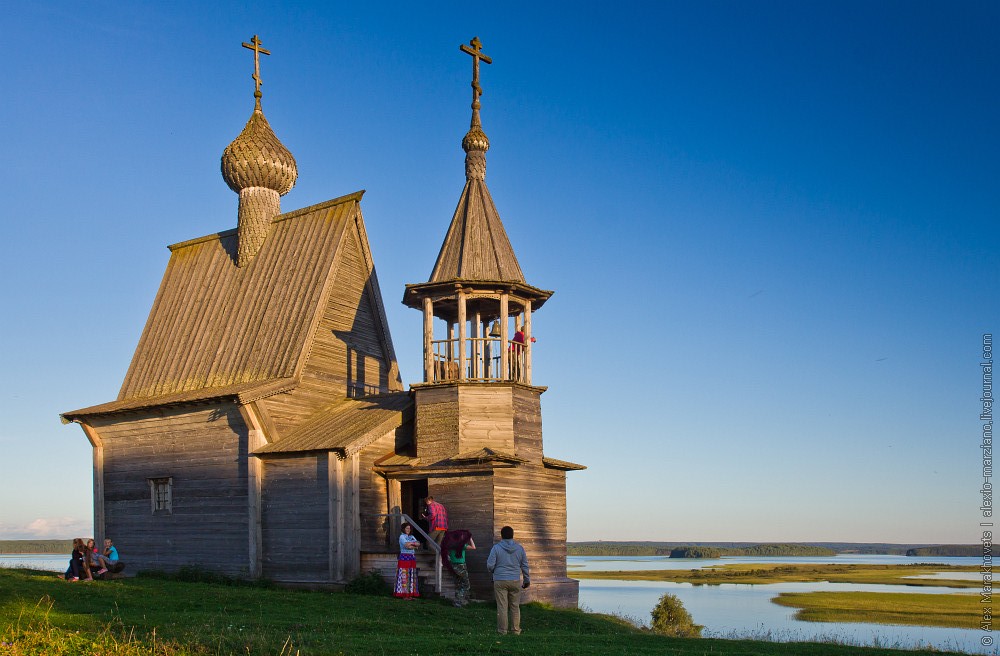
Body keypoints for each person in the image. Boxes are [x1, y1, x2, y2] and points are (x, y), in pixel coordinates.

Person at [487, 526, 530, 635]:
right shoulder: (520, 548)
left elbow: (490, 565)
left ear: (501, 535)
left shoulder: (496, 548)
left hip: (500, 580)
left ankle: (502, 631)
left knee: (502, 606)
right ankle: (515, 630)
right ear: (512, 535)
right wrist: (526, 580)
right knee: (515, 606)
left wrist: (494, 571)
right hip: (515, 580)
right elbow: (524, 565)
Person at [441, 530, 476, 608]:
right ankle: (458, 601)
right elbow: (474, 547)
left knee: (458, 584)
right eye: (462, 536)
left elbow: (445, 552)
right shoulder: (462, 545)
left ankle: (457, 601)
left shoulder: (450, 545)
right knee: (466, 585)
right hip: (461, 566)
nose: (463, 537)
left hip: (453, 566)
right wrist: (470, 539)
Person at [394, 523, 421, 599]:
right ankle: (404, 595)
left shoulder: (412, 536)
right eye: (406, 528)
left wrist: (411, 544)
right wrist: (414, 545)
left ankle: (410, 594)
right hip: (404, 558)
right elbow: (407, 546)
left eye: (409, 528)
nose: (408, 530)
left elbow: (418, 543)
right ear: (403, 529)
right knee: (404, 576)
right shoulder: (402, 536)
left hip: (412, 558)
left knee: (411, 576)